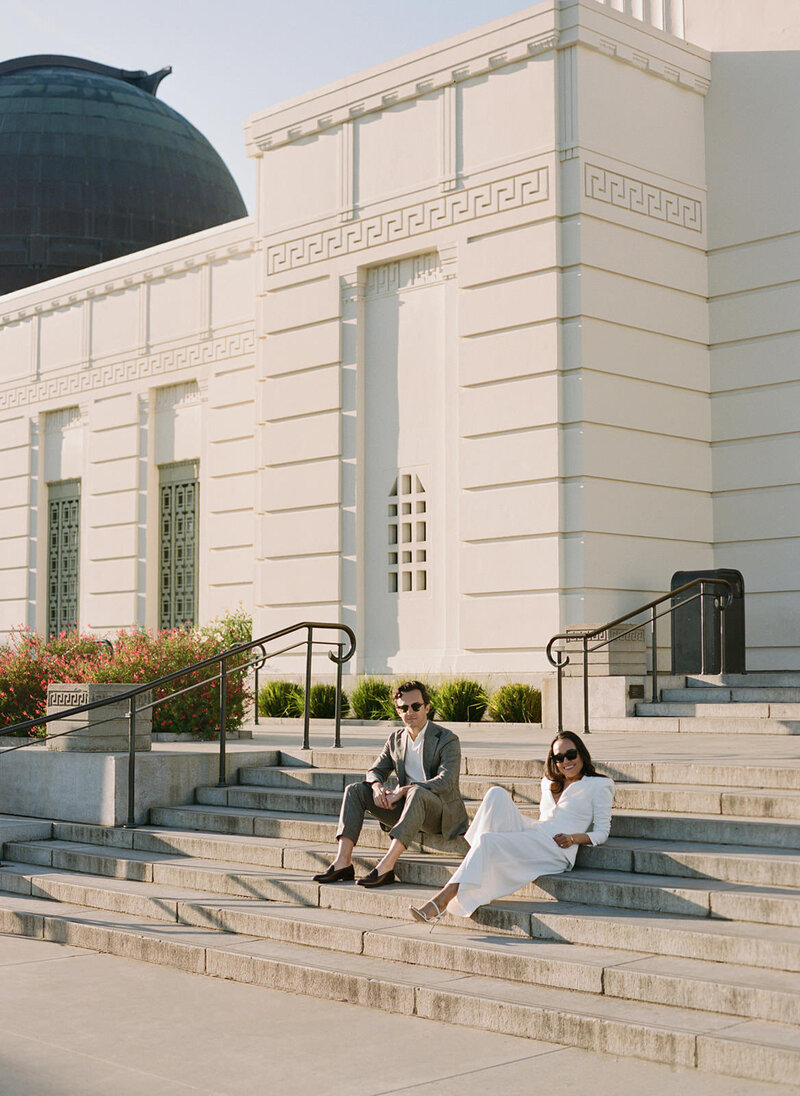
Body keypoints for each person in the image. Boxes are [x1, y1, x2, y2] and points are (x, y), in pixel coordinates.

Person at [409, 731, 614, 926]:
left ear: (581, 753)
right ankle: (477, 857)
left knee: (488, 840)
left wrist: (573, 838)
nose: (566, 762)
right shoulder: (549, 782)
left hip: (557, 849)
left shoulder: (599, 785)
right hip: (536, 832)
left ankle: (441, 900)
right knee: (496, 794)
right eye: (559, 758)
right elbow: (545, 818)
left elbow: (602, 833)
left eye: (571, 754)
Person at [313, 680, 469, 888]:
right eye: (403, 708)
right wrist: (377, 787)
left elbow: (446, 781)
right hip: (407, 809)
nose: (410, 711)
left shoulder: (447, 739)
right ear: (398, 711)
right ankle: (343, 862)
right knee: (356, 790)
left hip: (440, 814)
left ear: (427, 708)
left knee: (416, 792)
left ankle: (386, 866)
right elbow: (375, 771)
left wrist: (404, 790)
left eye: (416, 706)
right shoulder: (395, 738)